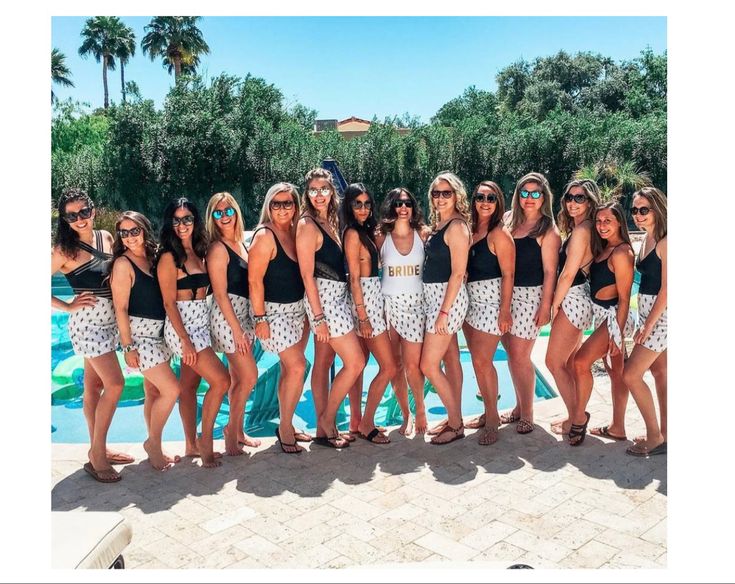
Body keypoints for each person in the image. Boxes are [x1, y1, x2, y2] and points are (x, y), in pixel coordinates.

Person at [51, 188, 132, 483]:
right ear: (65, 219)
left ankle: (98, 447)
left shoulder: (106, 238)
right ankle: (97, 455)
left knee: (94, 386)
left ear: (93, 210)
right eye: (72, 215)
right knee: (116, 383)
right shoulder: (63, 250)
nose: (80, 219)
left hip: (110, 322)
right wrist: (68, 304)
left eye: (84, 212)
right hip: (86, 325)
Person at [296, 168, 366, 448]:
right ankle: (326, 421)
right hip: (323, 301)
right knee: (356, 361)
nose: (319, 194)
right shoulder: (307, 225)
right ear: (307, 194)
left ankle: (325, 429)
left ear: (331, 191)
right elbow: (307, 275)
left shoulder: (331, 222)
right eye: (313, 190)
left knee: (324, 362)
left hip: (337, 298)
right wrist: (319, 317)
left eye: (323, 189)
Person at [158, 197, 231, 467]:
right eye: (176, 220)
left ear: (195, 221)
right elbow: (168, 303)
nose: (182, 225)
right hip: (184, 331)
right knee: (222, 381)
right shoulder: (169, 257)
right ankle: (206, 444)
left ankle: (190, 445)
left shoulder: (199, 251)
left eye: (187, 219)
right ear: (170, 223)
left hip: (201, 326)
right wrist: (186, 343)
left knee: (189, 386)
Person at [109, 211, 180, 470]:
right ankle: (152, 443)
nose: (129, 237)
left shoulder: (153, 257)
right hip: (139, 337)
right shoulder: (123, 264)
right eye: (124, 233)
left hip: (159, 334)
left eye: (134, 231)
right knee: (172, 389)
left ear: (144, 229)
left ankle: (156, 448)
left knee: (152, 391)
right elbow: (121, 308)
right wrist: (127, 347)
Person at [248, 182, 311, 453]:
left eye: (288, 203)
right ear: (268, 206)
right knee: (298, 366)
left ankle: (287, 421)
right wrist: (260, 317)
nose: (283, 208)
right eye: (277, 203)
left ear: (296, 206)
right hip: (273, 313)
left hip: (298, 310)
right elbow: (254, 280)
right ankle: (285, 426)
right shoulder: (265, 236)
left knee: (291, 370)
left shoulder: (296, 232)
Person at [568, 201, 635, 446]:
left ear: (619, 222)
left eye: (608, 221)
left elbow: (626, 299)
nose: (602, 225)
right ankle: (618, 428)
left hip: (615, 318)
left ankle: (579, 417)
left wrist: (617, 336)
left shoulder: (622, 253)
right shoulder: (605, 249)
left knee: (580, 361)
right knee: (616, 373)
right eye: (599, 221)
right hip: (603, 317)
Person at [501, 172, 561, 434]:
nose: (529, 198)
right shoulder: (508, 220)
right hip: (505, 295)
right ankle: (518, 407)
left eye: (536, 193)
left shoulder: (548, 229)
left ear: (544, 197)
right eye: (524, 192)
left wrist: (545, 306)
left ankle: (528, 413)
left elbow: (550, 272)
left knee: (520, 356)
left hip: (530, 297)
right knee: (511, 355)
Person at [342, 183, 397, 444]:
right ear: (349, 206)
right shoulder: (352, 234)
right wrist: (363, 316)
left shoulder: (364, 232)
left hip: (369, 298)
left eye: (366, 204)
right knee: (389, 366)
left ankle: (355, 420)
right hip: (365, 302)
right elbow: (354, 278)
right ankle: (367, 423)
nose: (363, 209)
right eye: (357, 204)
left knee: (361, 365)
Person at [420, 172, 472, 445]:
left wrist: (443, 312)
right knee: (450, 360)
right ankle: (455, 416)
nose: (440, 198)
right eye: (436, 193)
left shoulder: (457, 228)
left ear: (456, 195)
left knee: (428, 365)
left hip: (446, 302)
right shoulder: (440, 226)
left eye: (446, 193)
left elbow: (457, 273)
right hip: (435, 300)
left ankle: (456, 423)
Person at [205, 192, 259, 456]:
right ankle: (229, 432)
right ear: (211, 218)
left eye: (228, 211)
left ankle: (238, 431)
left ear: (236, 212)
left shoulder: (242, 243)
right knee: (249, 376)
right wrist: (237, 329)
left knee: (240, 378)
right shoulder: (217, 249)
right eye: (218, 213)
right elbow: (220, 293)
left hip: (243, 315)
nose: (224, 216)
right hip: (229, 318)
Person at [462, 181, 515, 445]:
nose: (485, 202)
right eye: (480, 197)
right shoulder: (470, 230)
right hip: (470, 303)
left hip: (491, 305)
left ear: (498, 202)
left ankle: (493, 419)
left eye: (491, 198)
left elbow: (508, 275)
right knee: (477, 362)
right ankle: (487, 412)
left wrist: (505, 311)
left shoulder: (499, 234)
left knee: (483, 362)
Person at [545, 180, 599, 435]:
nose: (573, 203)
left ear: (590, 202)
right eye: (569, 197)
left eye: (580, 198)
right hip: (578, 298)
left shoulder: (581, 232)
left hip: (573, 299)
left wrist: (553, 306)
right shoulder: (583, 229)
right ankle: (574, 415)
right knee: (566, 363)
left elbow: (567, 274)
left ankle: (578, 419)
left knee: (553, 362)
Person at [376, 188, 431, 435]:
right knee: (395, 365)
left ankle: (420, 409)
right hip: (389, 307)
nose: (403, 207)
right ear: (391, 206)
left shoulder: (423, 233)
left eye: (408, 202)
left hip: (416, 306)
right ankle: (405, 414)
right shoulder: (381, 237)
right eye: (398, 203)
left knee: (413, 366)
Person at [623, 187, 667, 457]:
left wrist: (647, 325)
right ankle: (667, 434)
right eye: (635, 210)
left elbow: (667, 290)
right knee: (661, 374)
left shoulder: (665, 242)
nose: (638, 215)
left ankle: (654, 437)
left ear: (658, 209)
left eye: (644, 210)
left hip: (661, 319)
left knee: (630, 374)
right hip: (651, 315)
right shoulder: (648, 239)